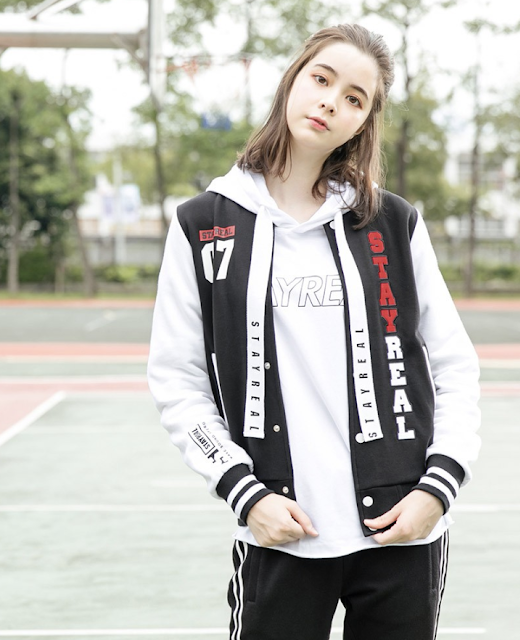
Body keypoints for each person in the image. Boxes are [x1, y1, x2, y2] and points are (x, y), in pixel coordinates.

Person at [147, 23, 480, 640]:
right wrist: (245, 493)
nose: (331, 102)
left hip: (402, 530)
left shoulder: (392, 223)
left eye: (354, 98)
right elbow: (177, 378)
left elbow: (453, 365)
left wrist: (438, 488)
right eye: (321, 80)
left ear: (363, 122)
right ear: (292, 81)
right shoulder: (204, 223)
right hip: (281, 533)